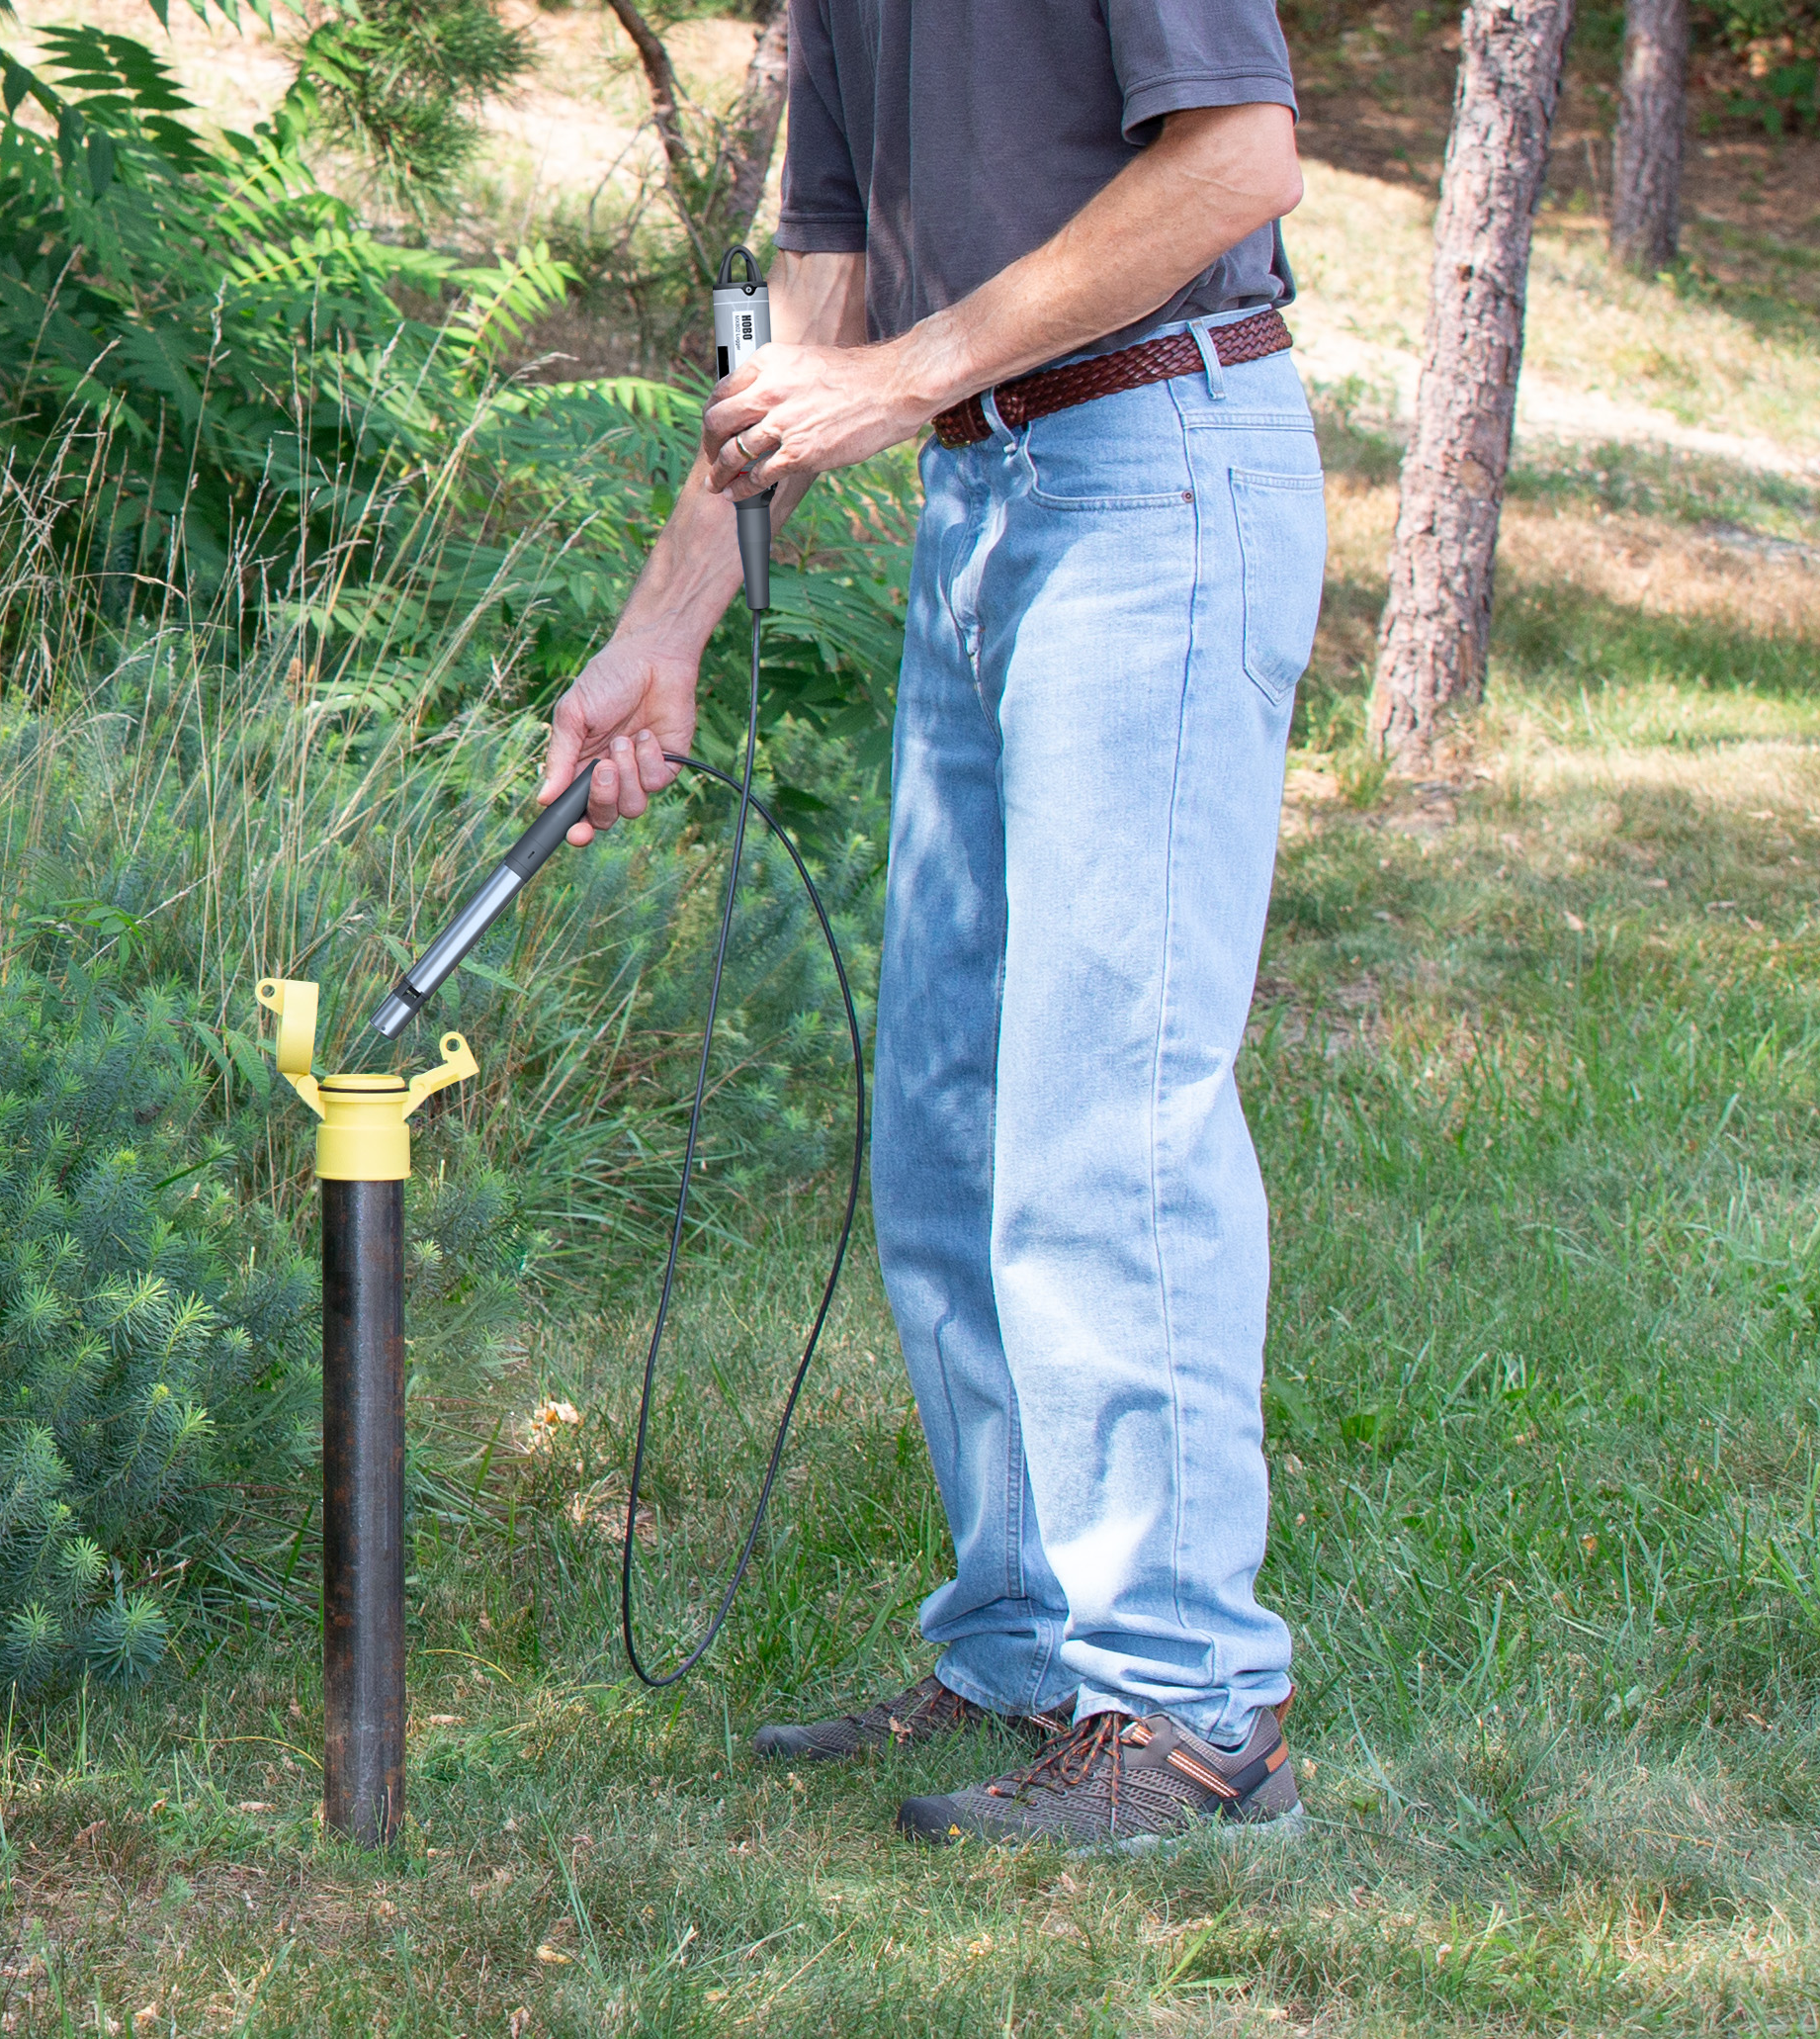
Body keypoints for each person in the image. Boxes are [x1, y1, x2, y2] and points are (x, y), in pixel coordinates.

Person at [541, 0, 1326, 1848]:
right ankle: (1034, 1645)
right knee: (953, 1128)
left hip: (1158, 474)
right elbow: (822, 289)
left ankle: (1193, 1708)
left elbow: (1236, 157)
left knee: (1099, 1122)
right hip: (986, 503)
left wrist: (909, 376)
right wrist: (671, 619)